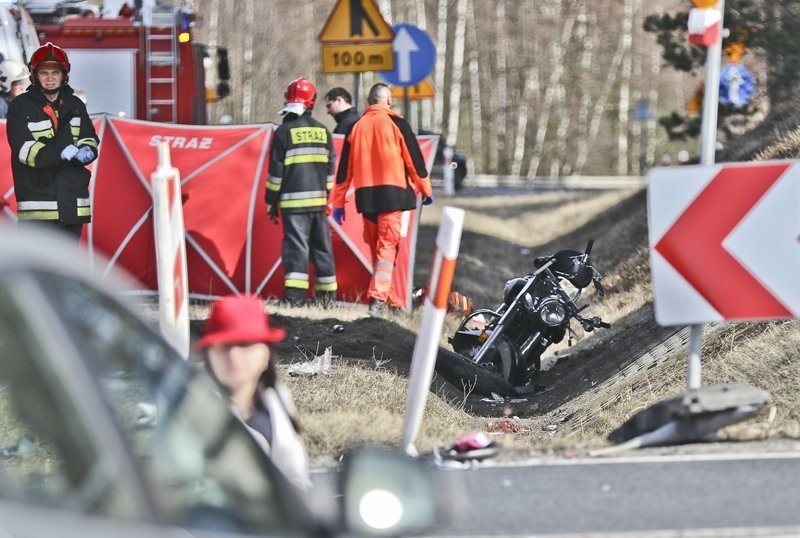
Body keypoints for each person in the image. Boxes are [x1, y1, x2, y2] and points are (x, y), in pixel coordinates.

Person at [331, 82, 433, 315]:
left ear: (369, 103)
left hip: (367, 199)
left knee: (381, 251)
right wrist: (425, 190)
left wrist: (338, 203)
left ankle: (393, 300)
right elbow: (415, 161)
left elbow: (344, 172)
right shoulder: (397, 123)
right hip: (394, 197)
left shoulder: (355, 127)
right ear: (388, 101)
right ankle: (378, 299)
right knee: (387, 250)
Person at [198, 294, 312, 491]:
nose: (234, 356)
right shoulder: (192, 410)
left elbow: (296, 478)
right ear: (208, 355)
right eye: (224, 347)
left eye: (244, 344)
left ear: (266, 352)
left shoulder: (278, 399)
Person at [6, 42, 99, 241]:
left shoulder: (75, 105)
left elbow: (88, 137)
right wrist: (59, 153)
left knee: (67, 269)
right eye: (44, 73)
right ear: (34, 75)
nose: (50, 78)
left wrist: (88, 149)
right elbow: (24, 150)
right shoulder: (20, 107)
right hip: (37, 207)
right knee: (35, 269)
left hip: (73, 205)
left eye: (55, 73)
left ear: (64, 75)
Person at [265, 77, 337, 306]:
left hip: (292, 206)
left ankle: (295, 299)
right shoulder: (323, 131)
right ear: (312, 102)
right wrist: (326, 196)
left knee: (297, 249)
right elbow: (329, 170)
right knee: (322, 250)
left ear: (288, 100)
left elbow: (275, 175)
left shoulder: (283, 132)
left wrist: (271, 201)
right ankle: (326, 299)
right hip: (318, 203)